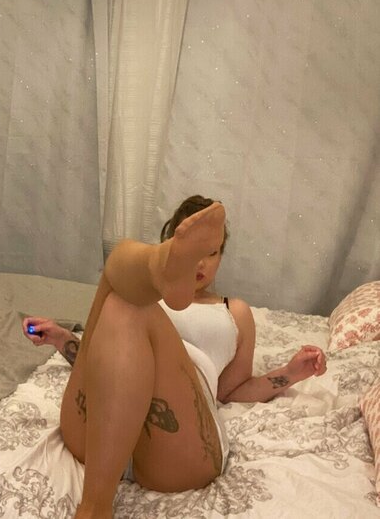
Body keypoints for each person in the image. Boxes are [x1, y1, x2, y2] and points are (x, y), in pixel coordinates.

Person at [23, 196, 326, 519]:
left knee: (130, 301)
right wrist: (63, 340)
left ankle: (94, 509)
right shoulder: (141, 292)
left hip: (176, 442)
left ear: (221, 256)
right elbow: (108, 363)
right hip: (98, 433)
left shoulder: (235, 311)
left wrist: (291, 373)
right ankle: (157, 265)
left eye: (210, 253)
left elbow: (231, 391)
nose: (201, 264)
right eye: (191, 254)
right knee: (122, 296)